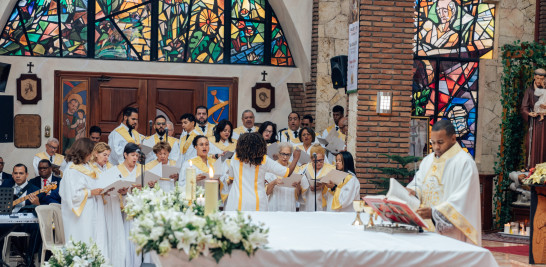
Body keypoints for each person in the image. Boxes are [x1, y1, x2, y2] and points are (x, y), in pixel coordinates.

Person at [406, 120, 481, 246]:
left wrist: (434, 213)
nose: (436, 147)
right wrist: (413, 191)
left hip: (452, 234)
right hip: (425, 229)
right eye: (433, 143)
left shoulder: (465, 163)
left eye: (440, 142)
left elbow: (463, 201)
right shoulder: (428, 160)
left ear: (453, 138)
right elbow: (418, 183)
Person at [224, 133, 301, 211]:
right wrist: (295, 158)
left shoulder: (235, 157)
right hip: (257, 202)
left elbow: (231, 178)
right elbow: (287, 172)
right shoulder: (264, 160)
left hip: (237, 200)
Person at [59, 138, 109, 258]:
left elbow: (94, 182)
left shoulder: (87, 166)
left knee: (93, 239)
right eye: (90, 152)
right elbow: (72, 195)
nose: (92, 155)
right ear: (83, 152)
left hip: (92, 208)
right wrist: (91, 192)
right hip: (81, 214)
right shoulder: (72, 170)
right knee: (83, 238)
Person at [99, 143, 143, 267]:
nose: (135, 158)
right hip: (120, 209)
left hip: (137, 208)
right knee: (122, 240)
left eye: (137, 155)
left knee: (136, 241)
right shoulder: (115, 170)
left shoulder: (142, 169)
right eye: (132, 155)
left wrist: (146, 186)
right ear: (125, 154)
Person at [0, 164, 42, 265]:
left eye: (21, 173)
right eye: (16, 173)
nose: (18, 176)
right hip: (7, 223)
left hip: (24, 224)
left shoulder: (34, 190)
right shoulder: (5, 186)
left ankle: (29, 258)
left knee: (38, 227)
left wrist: (37, 205)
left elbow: (41, 211)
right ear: (12, 175)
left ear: (26, 174)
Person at [178, 136, 228, 202]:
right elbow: (181, 184)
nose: (204, 147)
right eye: (201, 144)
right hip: (195, 198)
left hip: (212, 197)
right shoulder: (188, 164)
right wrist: (193, 179)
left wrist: (219, 181)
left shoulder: (215, 163)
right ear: (195, 147)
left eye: (206, 144)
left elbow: (224, 180)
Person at [265, 142, 307, 211]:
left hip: (289, 204)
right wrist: (274, 182)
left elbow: (298, 195)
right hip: (274, 204)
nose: (285, 157)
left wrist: (298, 186)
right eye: (283, 154)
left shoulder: (296, 169)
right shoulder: (271, 167)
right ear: (278, 154)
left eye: (288, 155)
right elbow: (266, 192)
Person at [299, 144, 336, 212]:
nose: (318, 163)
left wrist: (323, 186)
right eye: (315, 161)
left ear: (324, 158)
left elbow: (335, 186)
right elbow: (299, 181)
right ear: (311, 159)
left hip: (323, 200)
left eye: (321, 160)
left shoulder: (331, 169)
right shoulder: (305, 168)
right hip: (309, 198)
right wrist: (306, 186)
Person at [521, 68, 546, 168]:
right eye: (537, 78)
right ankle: (532, 168)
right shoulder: (530, 90)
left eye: (541, 79)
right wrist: (529, 113)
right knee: (533, 146)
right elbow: (524, 107)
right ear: (534, 78)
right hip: (534, 123)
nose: (539, 81)